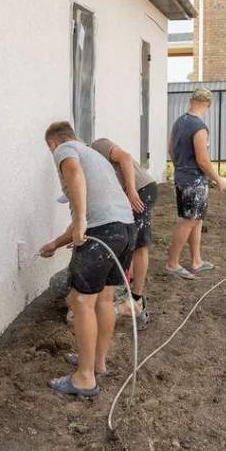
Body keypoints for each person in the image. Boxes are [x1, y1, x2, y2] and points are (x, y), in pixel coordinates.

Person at [39, 121, 136, 397]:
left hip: (102, 231)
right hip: (125, 229)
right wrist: (56, 244)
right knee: (104, 299)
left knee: (80, 301)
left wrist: (81, 220)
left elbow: (73, 174)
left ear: (52, 143)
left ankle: (84, 378)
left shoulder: (64, 150)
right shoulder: (94, 156)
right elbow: (91, 211)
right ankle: (97, 363)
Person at [90, 137, 156, 330]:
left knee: (139, 245)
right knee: (131, 242)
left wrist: (132, 191)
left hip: (141, 189)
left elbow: (125, 158)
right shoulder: (89, 167)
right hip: (132, 192)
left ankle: (136, 299)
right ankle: (128, 288)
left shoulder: (98, 145)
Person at [166, 88, 226, 279]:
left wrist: (180, 167)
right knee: (189, 221)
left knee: (196, 220)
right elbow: (202, 160)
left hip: (181, 177)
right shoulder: (199, 127)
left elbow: (171, 150)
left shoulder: (180, 122)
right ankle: (172, 264)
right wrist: (219, 180)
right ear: (208, 104)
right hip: (193, 181)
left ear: (191, 100)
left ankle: (196, 261)